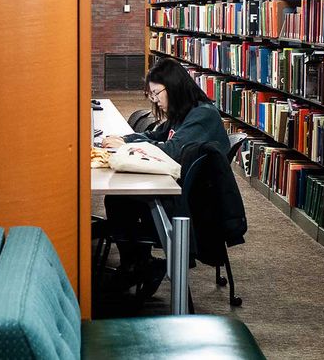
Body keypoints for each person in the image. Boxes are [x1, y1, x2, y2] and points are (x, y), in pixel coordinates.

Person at [98, 58, 230, 300]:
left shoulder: (202, 115)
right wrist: (126, 140)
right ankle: (139, 264)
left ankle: (140, 266)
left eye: (157, 93)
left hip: (192, 203)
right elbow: (157, 134)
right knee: (117, 198)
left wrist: (131, 143)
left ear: (174, 86)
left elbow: (170, 150)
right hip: (177, 188)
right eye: (151, 95)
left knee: (120, 199)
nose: (155, 100)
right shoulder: (184, 113)